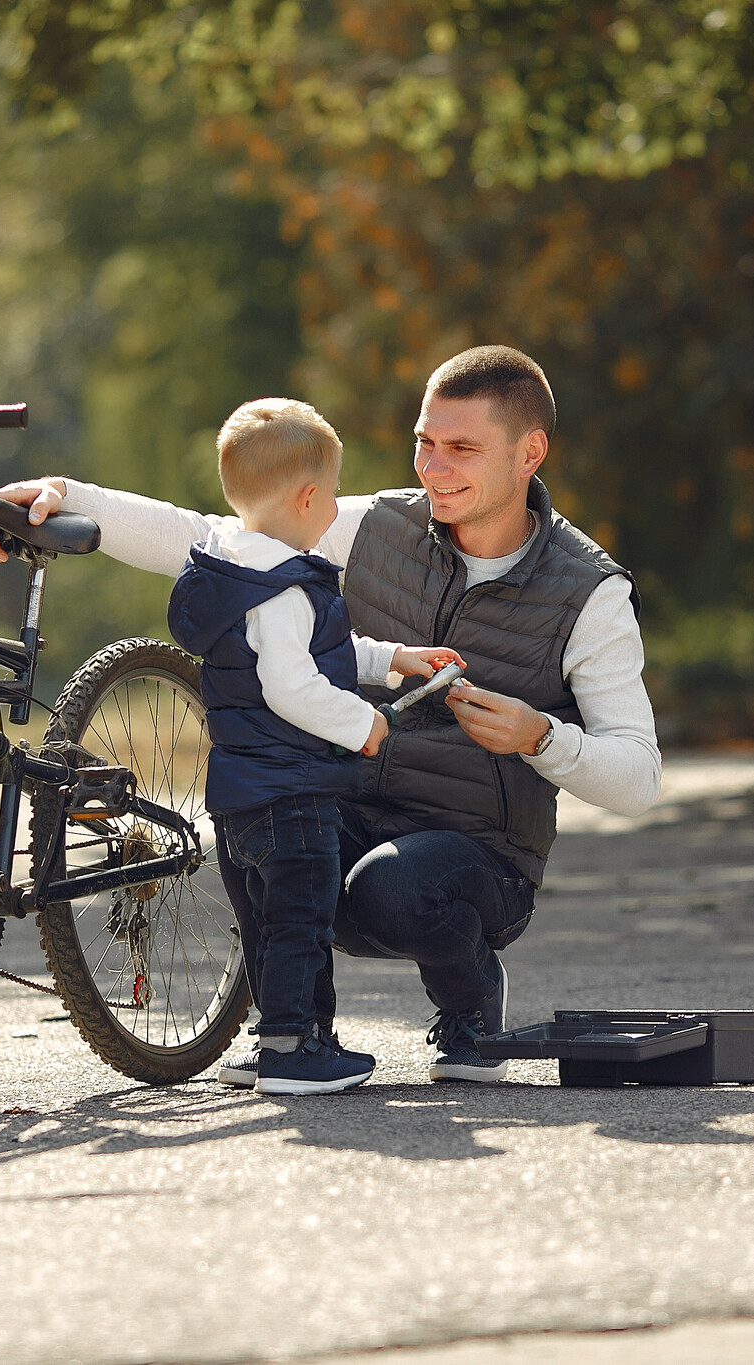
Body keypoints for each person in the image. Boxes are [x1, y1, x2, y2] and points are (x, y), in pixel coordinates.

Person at [0, 346, 662, 1083]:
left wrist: (541, 736)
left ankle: (469, 999)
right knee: (252, 824)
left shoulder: (588, 591)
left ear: (530, 452)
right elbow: (218, 538)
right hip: (343, 805)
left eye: (462, 448)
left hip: (478, 856)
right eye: (425, 443)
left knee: (389, 888)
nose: (433, 468)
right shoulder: (376, 528)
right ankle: (296, 1035)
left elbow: (639, 777)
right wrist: (66, 495)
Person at [165, 398, 463, 1095]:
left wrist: (391, 658)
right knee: (303, 916)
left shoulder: (234, 573)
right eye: (329, 495)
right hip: (291, 788)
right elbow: (293, 686)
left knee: (267, 921)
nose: (334, 509)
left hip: (239, 793)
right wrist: (365, 726)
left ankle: (280, 1036)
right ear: (305, 498)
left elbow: (318, 654)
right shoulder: (287, 589)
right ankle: (297, 1049)